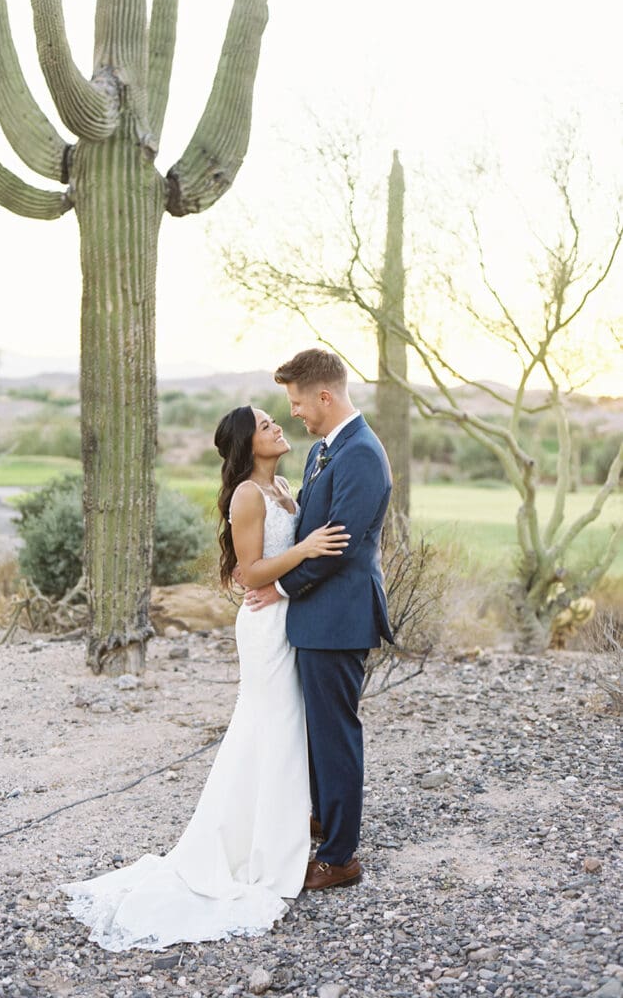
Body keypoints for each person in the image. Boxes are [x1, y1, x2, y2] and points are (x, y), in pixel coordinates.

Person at [58, 405, 348, 951]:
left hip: (290, 615)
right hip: (266, 625)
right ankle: (256, 845)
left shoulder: (283, 483)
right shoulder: (246, 495)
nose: (278, 427)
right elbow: (250, 572)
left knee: (285, 729)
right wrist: (308, 549)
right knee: (270, 724)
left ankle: (278, 827)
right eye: (266, 425)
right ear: (248, 443)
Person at [245, 348, 394, 890]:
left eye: (299, 402)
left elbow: (339, 550)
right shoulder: (322, 452)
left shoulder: (360, 454)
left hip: (338, 617)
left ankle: (340, 857)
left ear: (325, 396)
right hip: (315, 617)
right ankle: (326, 818)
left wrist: (278, 586)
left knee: (335, 735)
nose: (296, 414)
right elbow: (309, 531)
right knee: (315, 731)